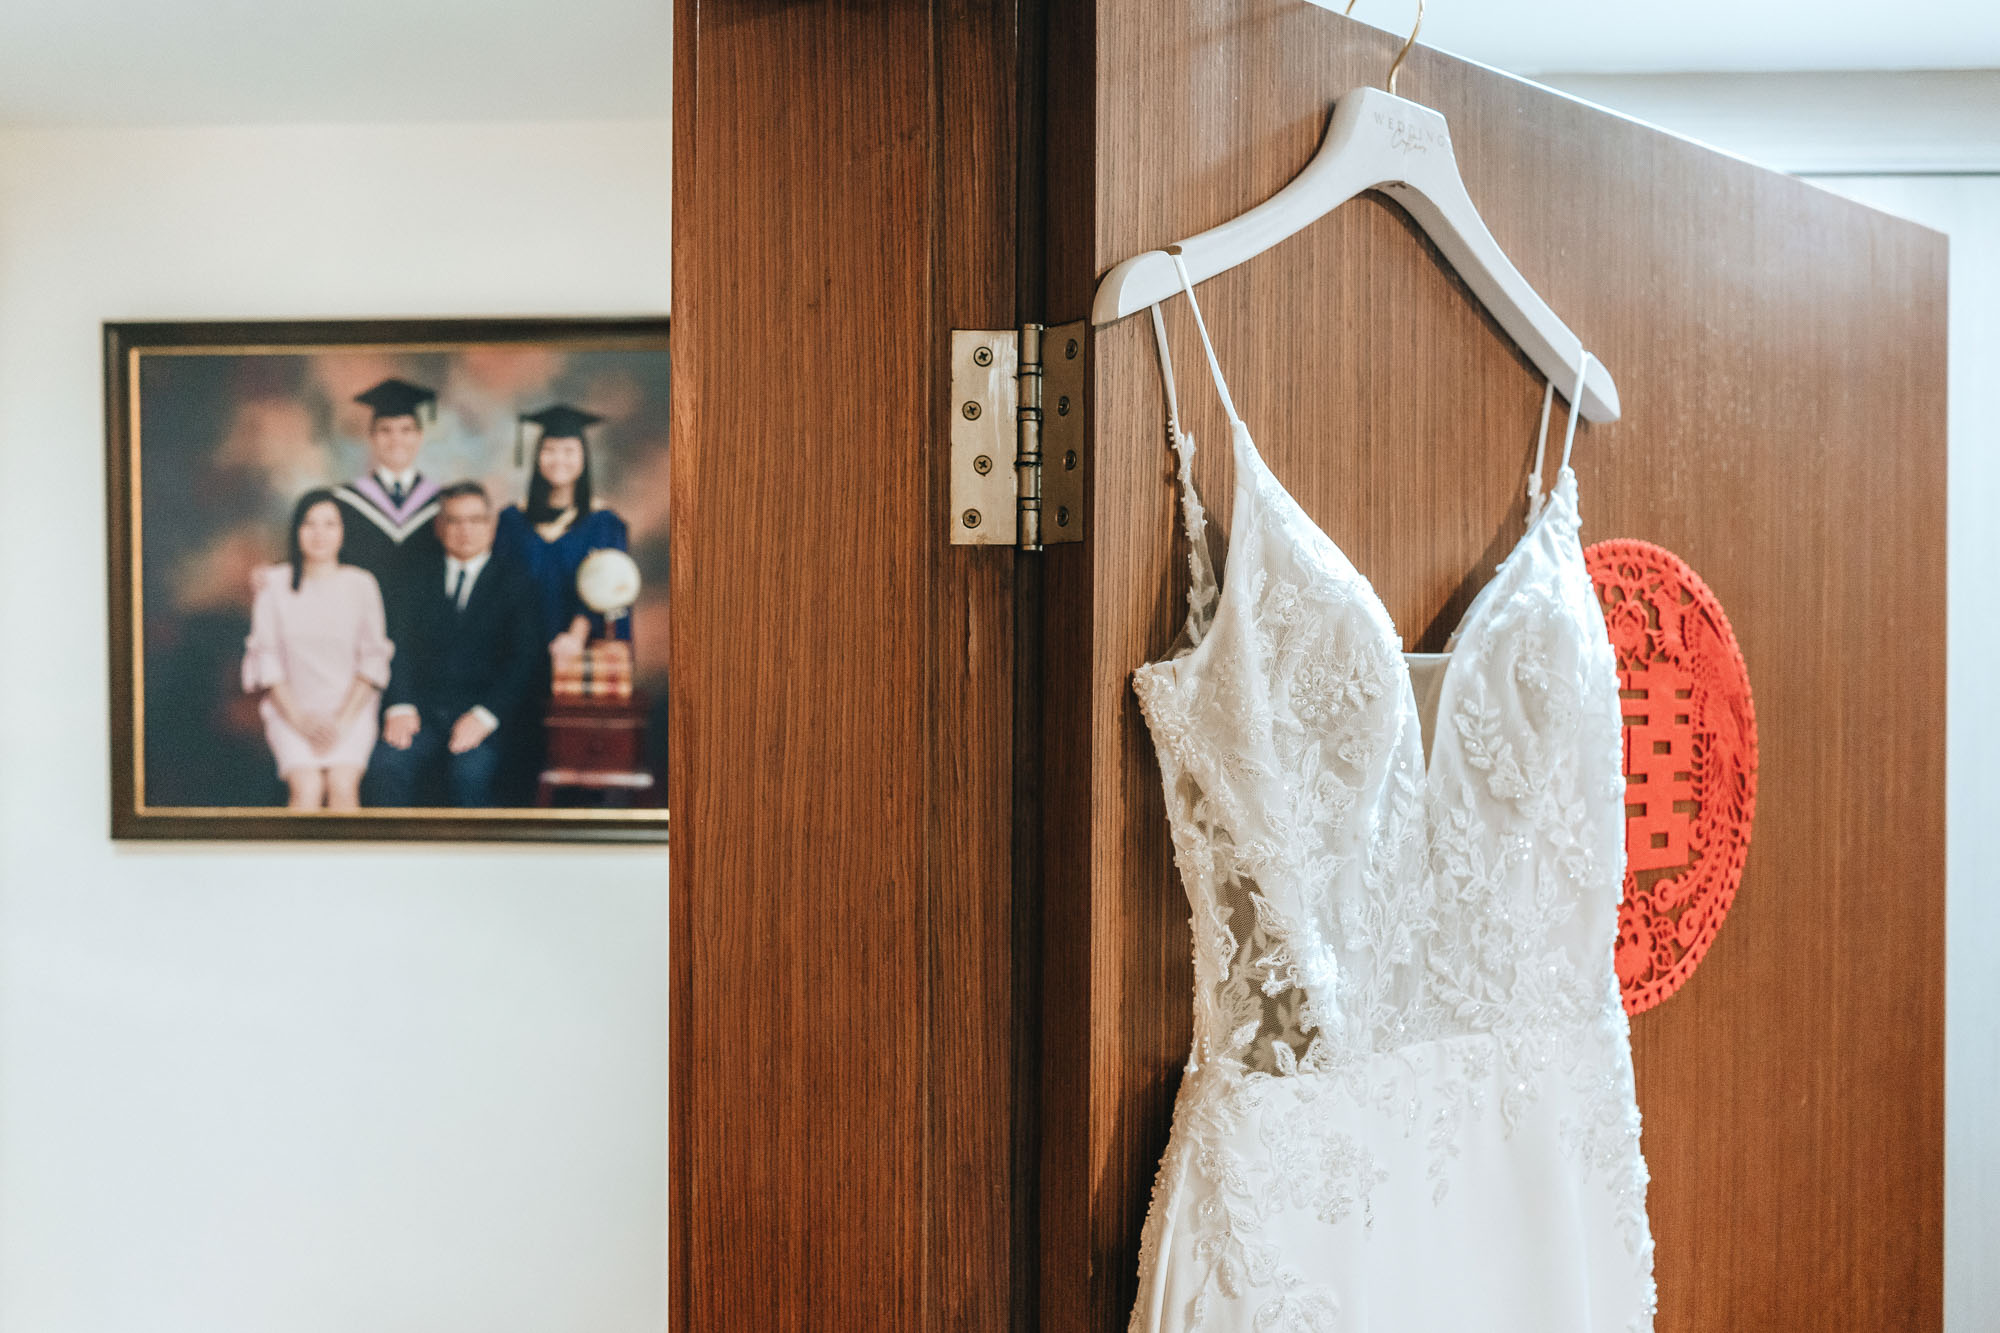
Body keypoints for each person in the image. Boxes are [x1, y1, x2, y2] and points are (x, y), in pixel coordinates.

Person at [370, 482, 543, 808]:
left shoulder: (516, 582)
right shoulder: (413, 579)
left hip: (483, 712)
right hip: (421, 711)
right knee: (388, 764)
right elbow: (396, 646)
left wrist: (485, 716)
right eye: (454, 520)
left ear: (491, 526)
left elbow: (524, 660)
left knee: (471, 772)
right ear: (439, 526)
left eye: (475, 520)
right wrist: (401, 705)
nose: (465, 530)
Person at [241, 489, 393, 809]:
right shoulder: (273, 584)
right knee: (307, 788)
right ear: (296, 531)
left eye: (329, 524)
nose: (319, 534)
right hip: (290, 711)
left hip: (350, 712)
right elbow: (267, 661)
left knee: (342, 785)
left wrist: (341, 722)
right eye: (309, 524)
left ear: (343, 532)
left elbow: (373, 660)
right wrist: (301, 721)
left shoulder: (361, 584)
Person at [495, 404, 632, 664]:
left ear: (583, 458)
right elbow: (500, 589)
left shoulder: (604, 524)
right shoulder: (511, 521)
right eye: (549, 450)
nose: (559, 460)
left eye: (569, 451)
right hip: (517, 653)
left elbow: (610, 591)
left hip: (579, 652)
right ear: (537, 456)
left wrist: (575, 637)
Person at [333, 377, 446, 668]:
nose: (396, 439)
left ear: (419, 437)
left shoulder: (443, 504)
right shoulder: (344, 502)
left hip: (428, 640)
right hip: (359, 637)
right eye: (385, 430)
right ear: (371, 437)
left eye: (406, 430)